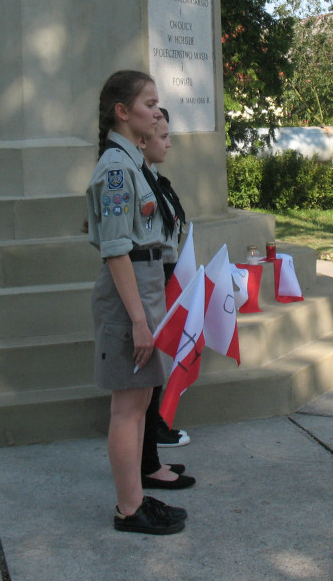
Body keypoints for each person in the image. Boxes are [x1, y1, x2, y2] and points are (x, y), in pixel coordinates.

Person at [85, 70, 186, 535]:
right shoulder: (116, 169)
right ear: (123, 113)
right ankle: (129, 510)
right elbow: (115, 249)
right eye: (149, 103)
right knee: (128, 407)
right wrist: (139, 321)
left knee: (141, 399)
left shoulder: (134, 165)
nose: (157, 111)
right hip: (130, 292)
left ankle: (137, 497)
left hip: (144, 285)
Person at [138, 108, 194, 491]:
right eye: (163, 136)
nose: (170, 142)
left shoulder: (155, 179)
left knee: (158, 369)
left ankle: (151, 457)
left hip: (165, 277)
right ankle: (146, 466)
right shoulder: (134, 181)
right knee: (142, 384)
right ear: (143, 140)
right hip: (149, 283)